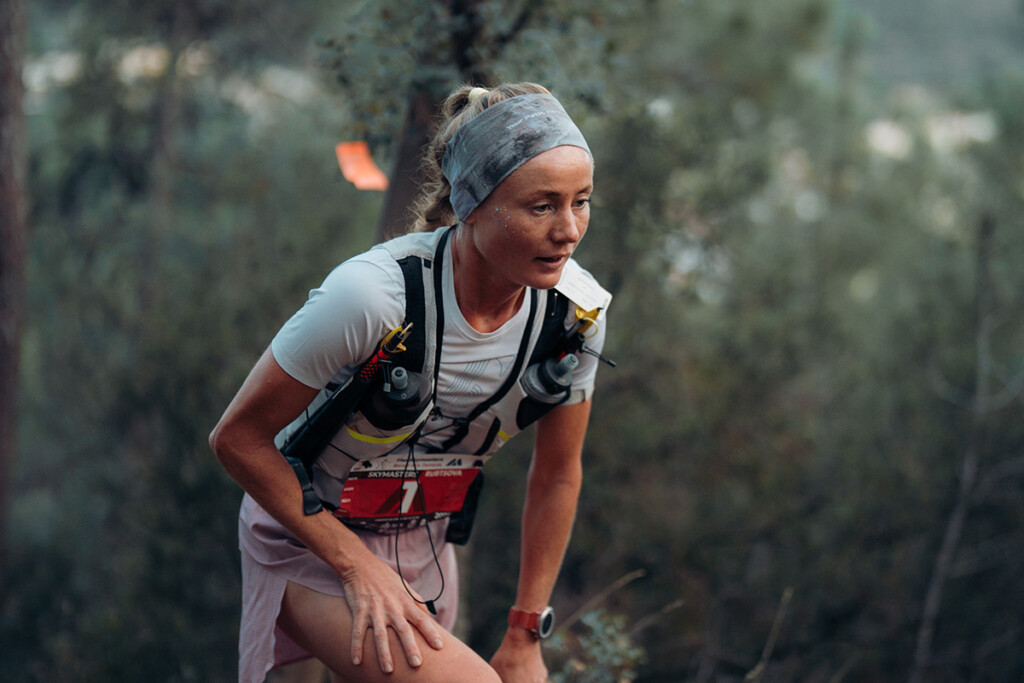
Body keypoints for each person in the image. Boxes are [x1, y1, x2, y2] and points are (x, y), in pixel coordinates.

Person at [209, 81, 611, 683]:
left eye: (580, 201)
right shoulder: (372, 297)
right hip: (310, 548)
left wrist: (527, 632)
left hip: (422, 555)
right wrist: (355, 567)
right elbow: (237, 440)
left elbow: (558, 475)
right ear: (472, 203)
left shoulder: (575, 316)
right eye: (541, 205)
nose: (569, 230)